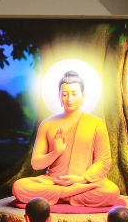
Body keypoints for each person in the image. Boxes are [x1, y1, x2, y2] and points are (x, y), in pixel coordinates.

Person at [12, 71, 120, 207]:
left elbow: (103, 161)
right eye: (65, 94)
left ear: (83, 96)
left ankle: (61, 195)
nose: (69, 99)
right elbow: (36, 164)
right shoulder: (47, 124)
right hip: (55, 181)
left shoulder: (97, 124)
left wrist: (81, 179)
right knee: (19, 187)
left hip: (84, 182)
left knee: (111, 192)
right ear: (59, 96)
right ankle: (70, 193)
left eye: (74, 94)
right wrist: (55, 152)